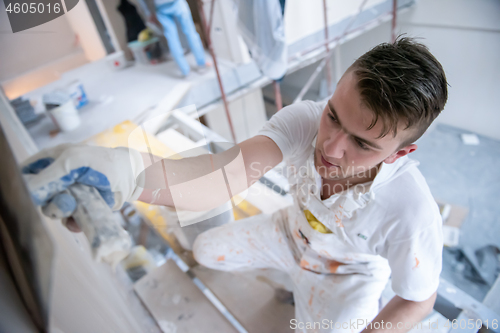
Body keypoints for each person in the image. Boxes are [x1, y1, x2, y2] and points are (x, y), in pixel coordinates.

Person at [23, 37, 447, 332]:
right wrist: (122, 173)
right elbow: (216, 180)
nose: (330, 148)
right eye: (334, 115)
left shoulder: (411, 212)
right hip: (289, 233)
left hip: (347, 273)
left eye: (361, 143)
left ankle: (300, 290)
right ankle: (287, 280)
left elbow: (417, 301)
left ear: (398, 154)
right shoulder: (305, 120)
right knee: (205, 249)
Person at [137, 0, 210, 77]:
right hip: (176, 2)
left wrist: (148, 13)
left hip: (160, 6)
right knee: (190, 32)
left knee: (171, 38)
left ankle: (184, 71)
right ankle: (201, 65)